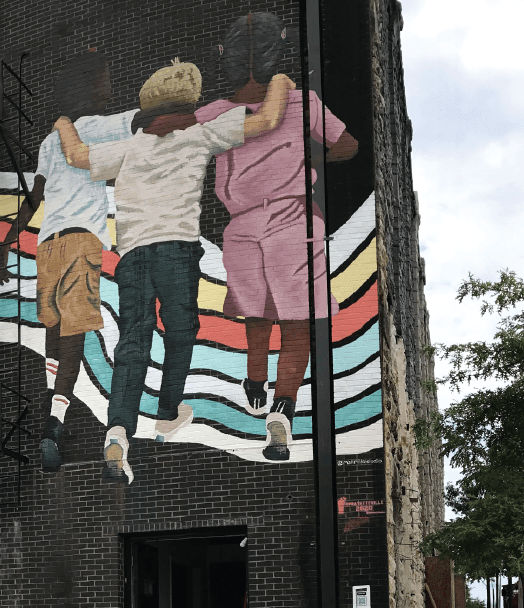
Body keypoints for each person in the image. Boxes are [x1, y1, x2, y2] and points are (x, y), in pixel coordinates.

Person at [56, 59, 291, 481]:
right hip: (177, 252)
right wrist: (278, 80)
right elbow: (270, 118)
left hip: (132, 257)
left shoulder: (128, 148)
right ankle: (168, 409)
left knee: (133, 343)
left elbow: (75, 155)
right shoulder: (200, 135)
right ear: (189, 102)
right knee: (181, 331)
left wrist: (62, 122)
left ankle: (117, 433)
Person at [193, 11, 359, 461]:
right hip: (293, 218)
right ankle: (282, 412)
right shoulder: (300, 101)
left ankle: (254, 379)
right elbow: (347, 145)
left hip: (241, 223)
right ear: (276, 53)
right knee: (297, 320)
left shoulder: (211, 115)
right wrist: (301, 167)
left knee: (255, 309)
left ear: (226, 58)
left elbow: (175, 137)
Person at [4, 48, 137, 472]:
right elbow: (140, 119)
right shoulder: (98, 126)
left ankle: (49, 411)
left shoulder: (48, 141)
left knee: (54, 336)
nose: (109, 88)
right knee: (74, 341)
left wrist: (7, 242)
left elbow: (34, 198)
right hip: (80, 242)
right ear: (92, 88)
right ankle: (53, 424)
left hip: (47, 245)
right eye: (105, 81)